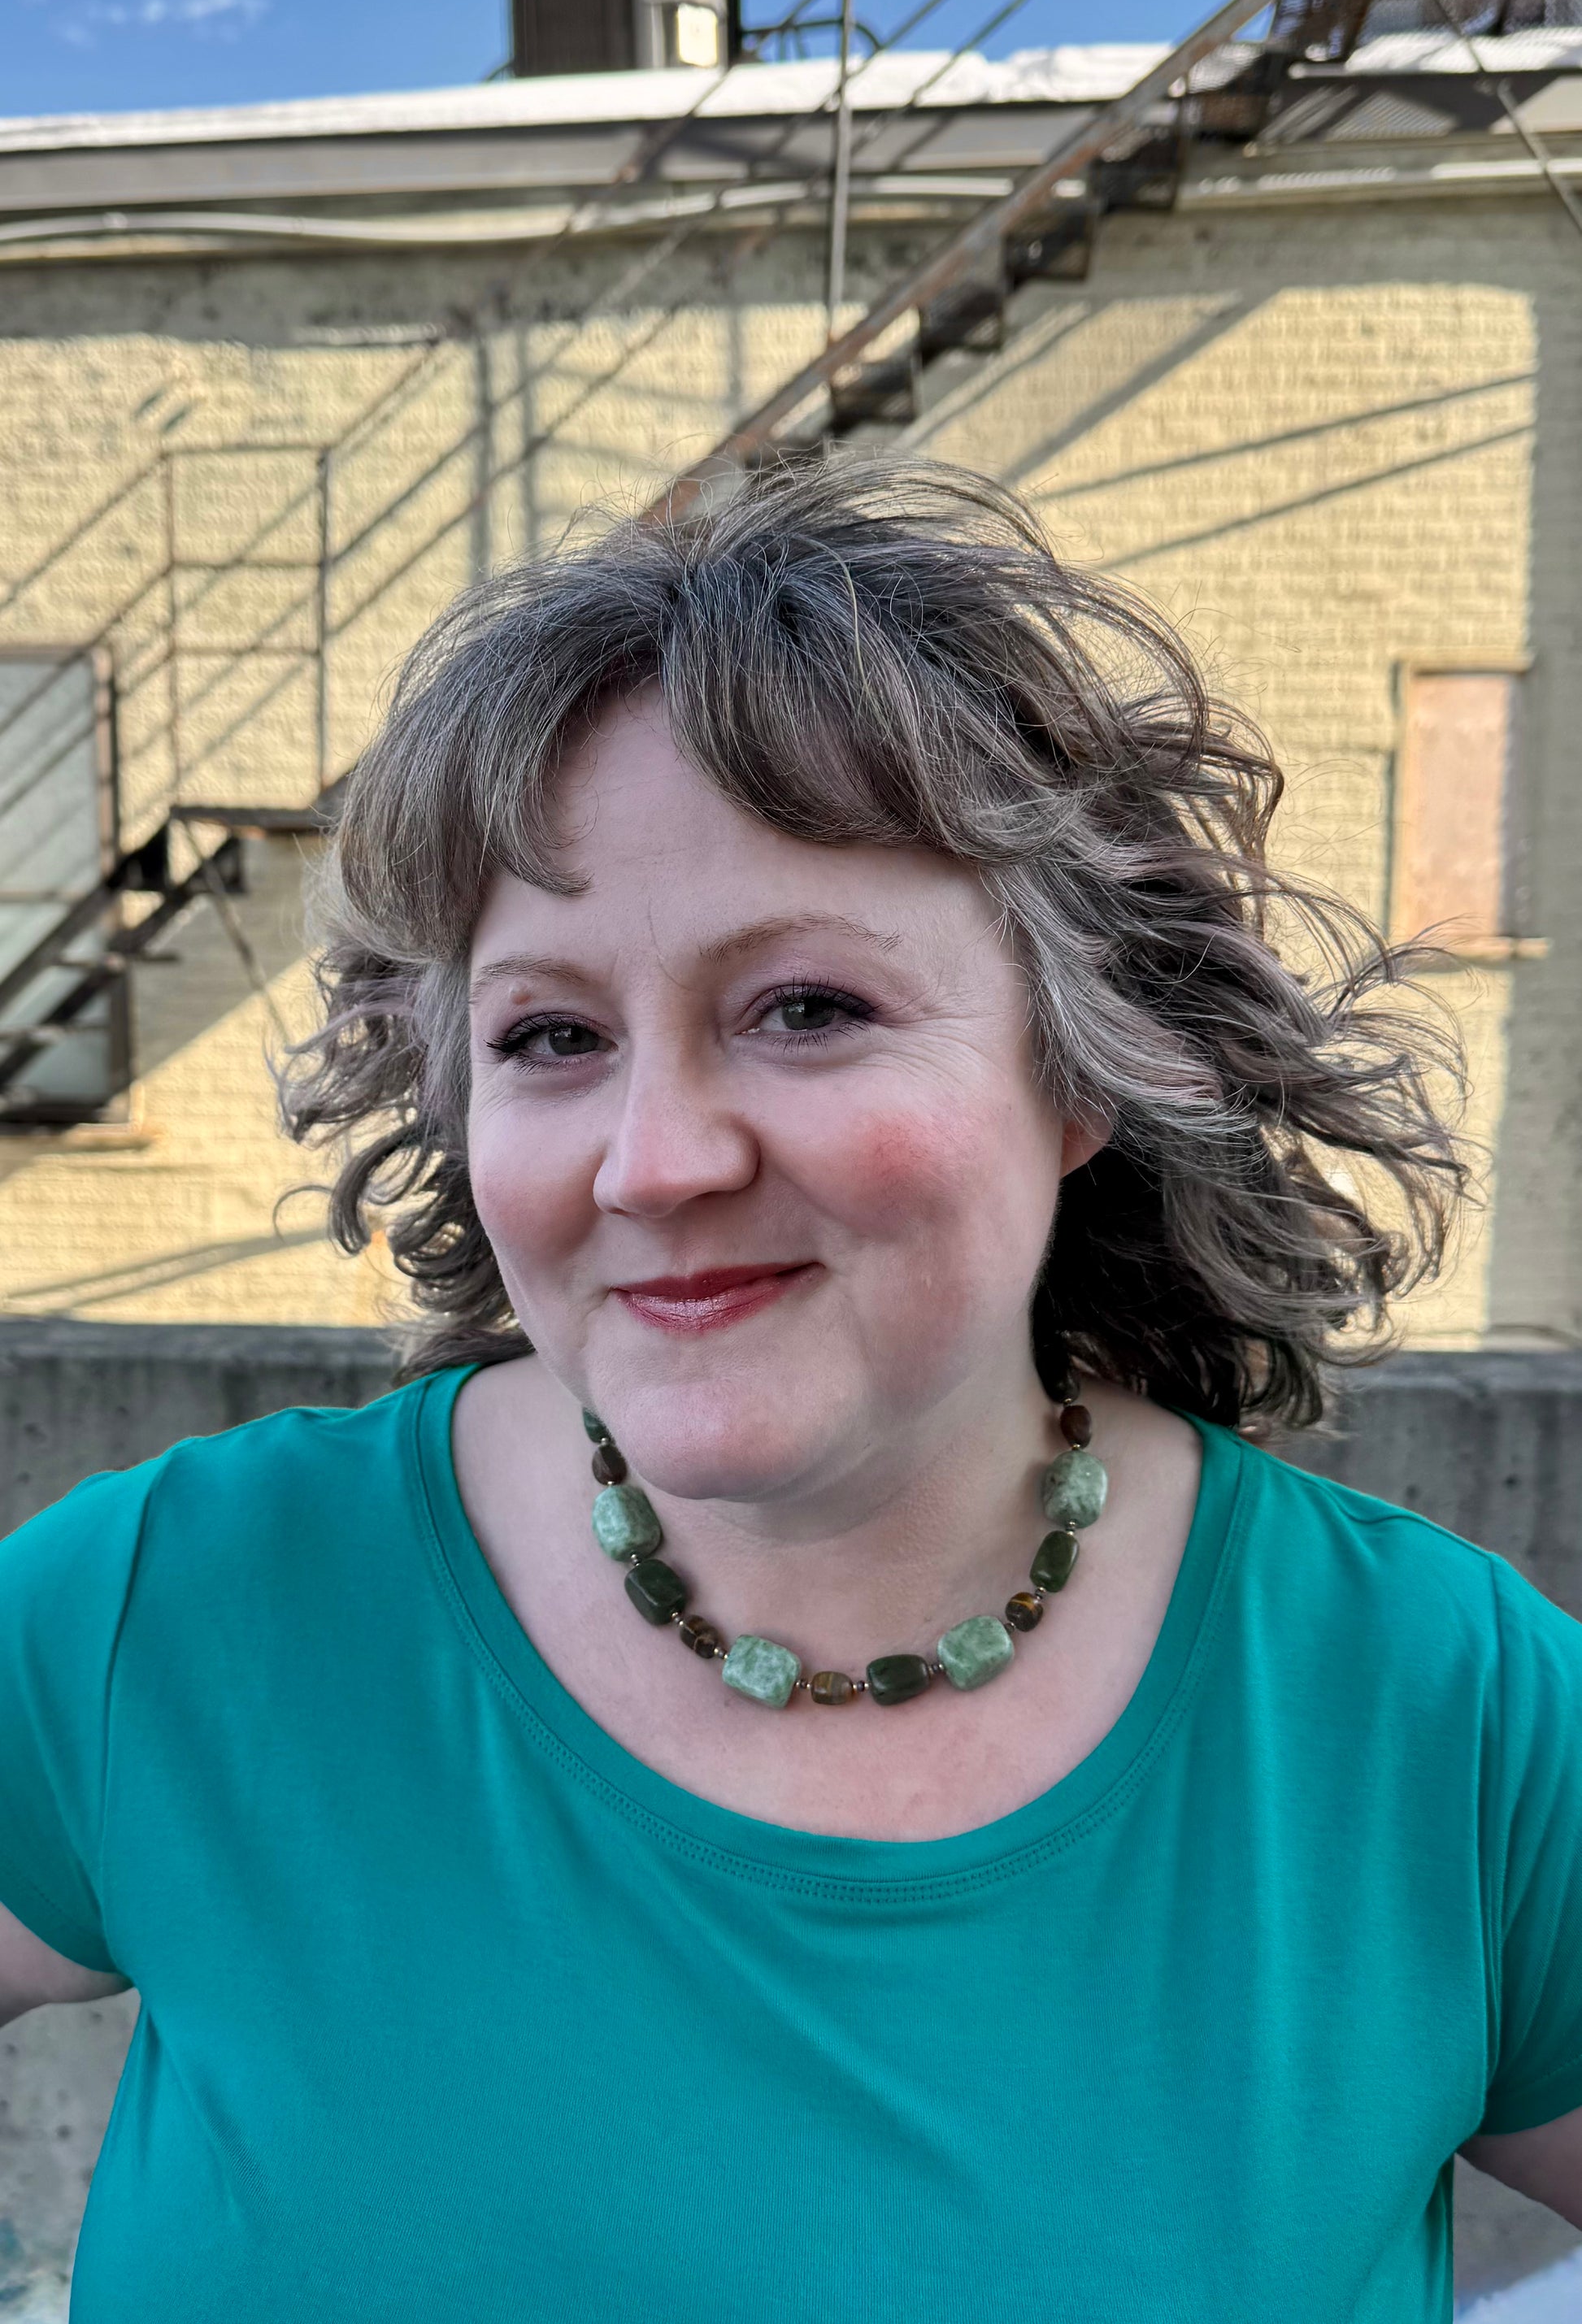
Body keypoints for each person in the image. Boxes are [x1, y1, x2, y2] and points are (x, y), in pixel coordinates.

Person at [1, 459, 1578, 2322]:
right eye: (552, 1035)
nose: (653, 1158)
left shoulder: (1436, 1710)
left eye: (806, 1006)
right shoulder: (168, 1611)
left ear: (1082, 1072)